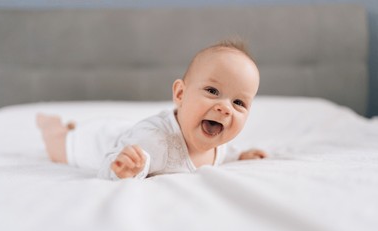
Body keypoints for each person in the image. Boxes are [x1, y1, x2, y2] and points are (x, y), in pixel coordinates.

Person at [37, 39, 267, 180]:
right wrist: (123, 170)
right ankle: (52, 124)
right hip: (97, 141)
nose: (225, 108)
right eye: (212, 91)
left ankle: (70, 126)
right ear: (180, 94)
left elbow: (224, 150)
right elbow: (109, 165)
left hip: (126, 131)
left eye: (239, 103)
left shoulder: (218, 138)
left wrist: (240, 155)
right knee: (57, 145)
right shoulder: (155, 143)